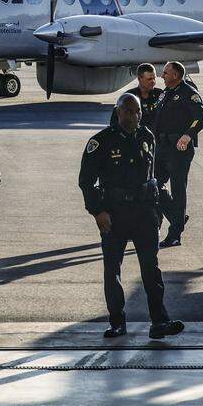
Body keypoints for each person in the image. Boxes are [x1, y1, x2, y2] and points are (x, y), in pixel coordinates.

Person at [79, 93, 184, 340]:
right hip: (114, 214)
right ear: (118, 113)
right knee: (112, 270)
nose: (134, 116)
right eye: (128, 111)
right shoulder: (101, 142)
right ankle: (117, 322)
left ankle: (159, 322)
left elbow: (153, 178)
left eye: (137, 112)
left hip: (144, 212)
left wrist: (158, 211)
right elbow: (86, 181)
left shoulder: (148, 137)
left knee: (151, 269)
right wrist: (98, 211)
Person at [153, 61, 203, 247]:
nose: (162, 76)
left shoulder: (188, 93)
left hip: (179, 148)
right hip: (161, 146)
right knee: (153, 185)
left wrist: (188, 135)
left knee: (177, 190)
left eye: (166, 73)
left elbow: (201, 116)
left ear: (176, 75)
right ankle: (177, 217)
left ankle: (175, 234)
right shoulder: (165, 93)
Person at [108, 63, 163, 129]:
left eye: (154, 78)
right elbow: (114, 121)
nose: (153, 82)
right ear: (140, 79)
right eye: (149, 79)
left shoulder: (160, 94)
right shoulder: (128, 97)